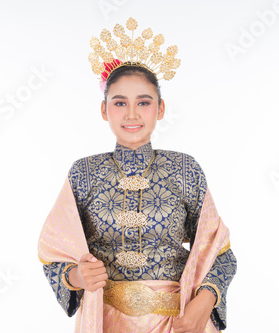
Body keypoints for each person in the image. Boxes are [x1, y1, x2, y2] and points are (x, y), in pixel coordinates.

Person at [37, 18, 237, 333]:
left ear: (160, 108)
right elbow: (53, 253)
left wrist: (205, 302)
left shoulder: (185, 169)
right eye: (120, 103)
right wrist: (77, 276)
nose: (132, 114)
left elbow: (220, 252)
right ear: (104, 110)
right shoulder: (84, 174)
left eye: (143, 102)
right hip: (105, 323)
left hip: (177, 322)